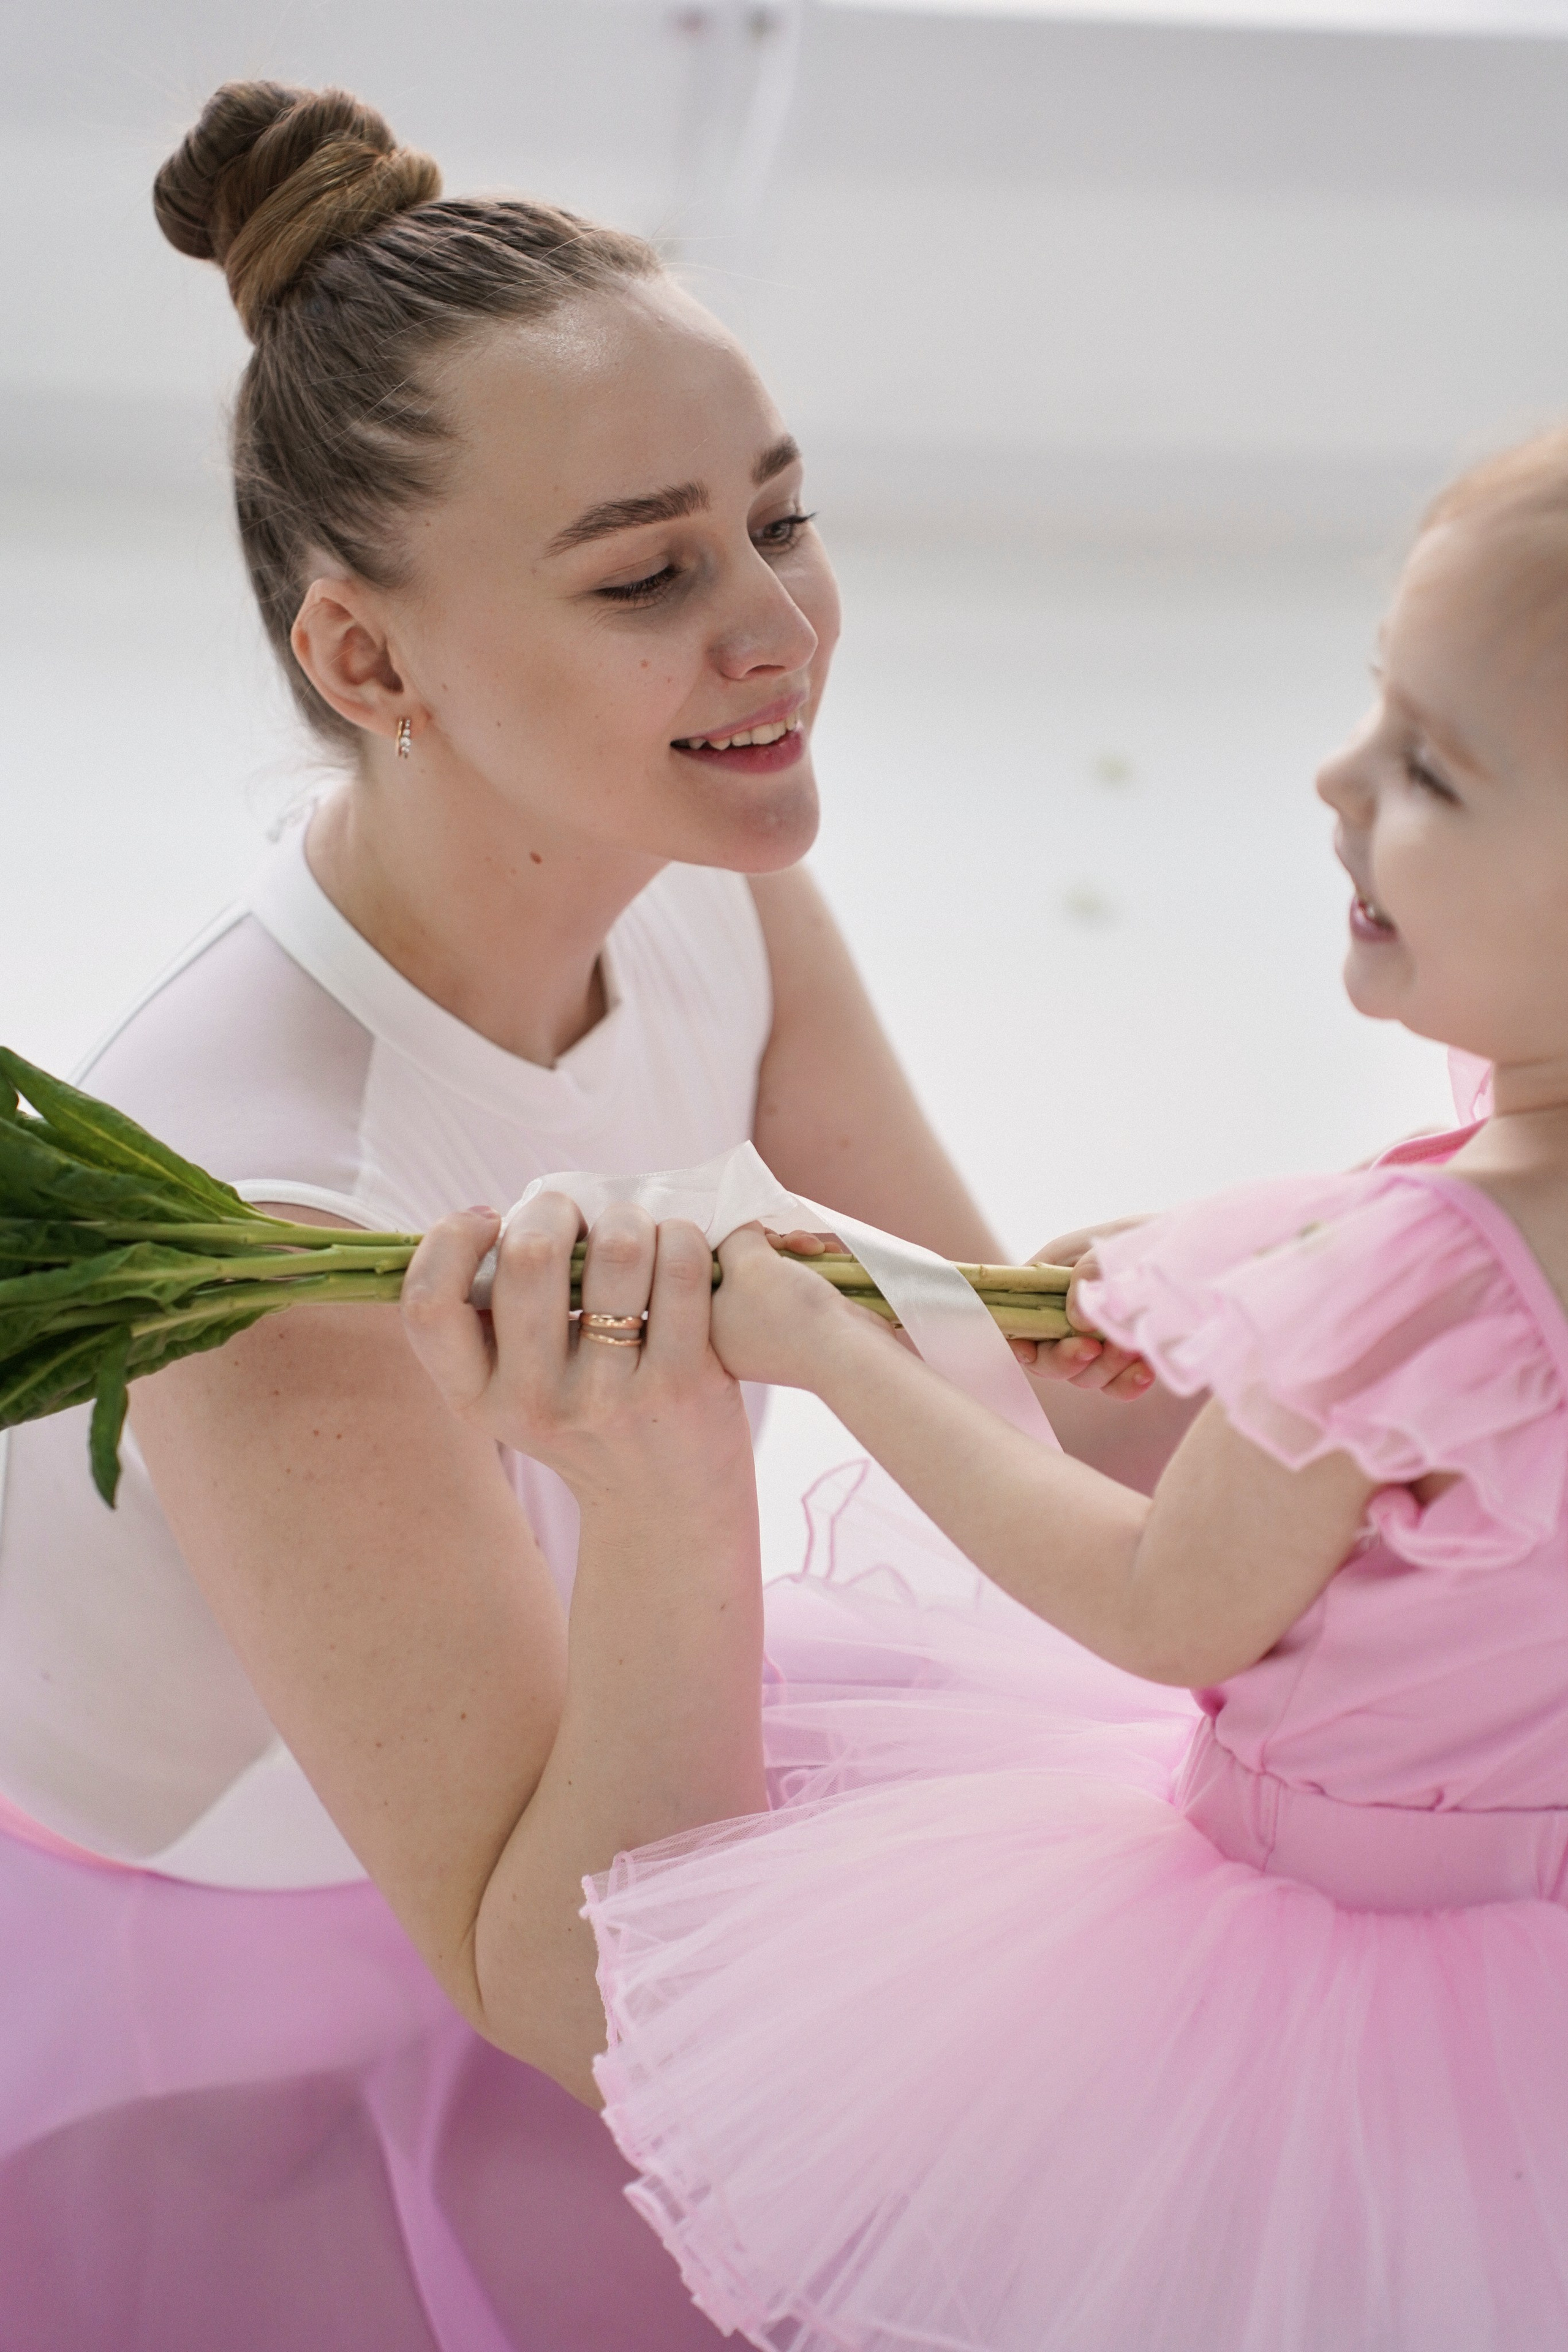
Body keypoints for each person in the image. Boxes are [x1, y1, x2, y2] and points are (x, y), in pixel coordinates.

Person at [0, 76, 1175, 2352]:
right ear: (368, 663)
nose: (779, 628)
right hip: (285, 1964)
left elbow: (1015, 1379)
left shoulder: (701, 887)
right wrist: (662, 1493)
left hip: (544, 1773)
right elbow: (572, 1997)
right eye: (650, 574)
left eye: (782, 520)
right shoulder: (271, 1230)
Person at [405, 425, 1568, 2349]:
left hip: (1310, 1986)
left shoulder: (1413, 1285)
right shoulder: (1473, 1192)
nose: (1334, 777)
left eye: (1428, 768)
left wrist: (836, 1350)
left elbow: (1158, 1600)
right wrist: (1206, 1307)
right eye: (1376, 704)